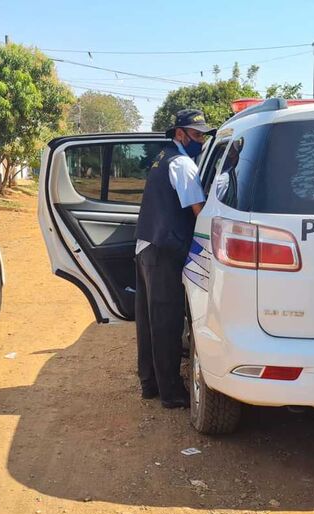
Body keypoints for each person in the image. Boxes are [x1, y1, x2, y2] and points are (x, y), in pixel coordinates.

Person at [134, 109, 212, 408]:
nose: (201, 140)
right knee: (166, 323)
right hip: (165, 251)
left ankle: (149, 384)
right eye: (196, 135)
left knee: (148, 321)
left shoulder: (161, 158)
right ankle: (171, 393)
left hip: (146, 246)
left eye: (203, 135)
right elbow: (199, 212)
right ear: (179, 133)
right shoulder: (182, 164)